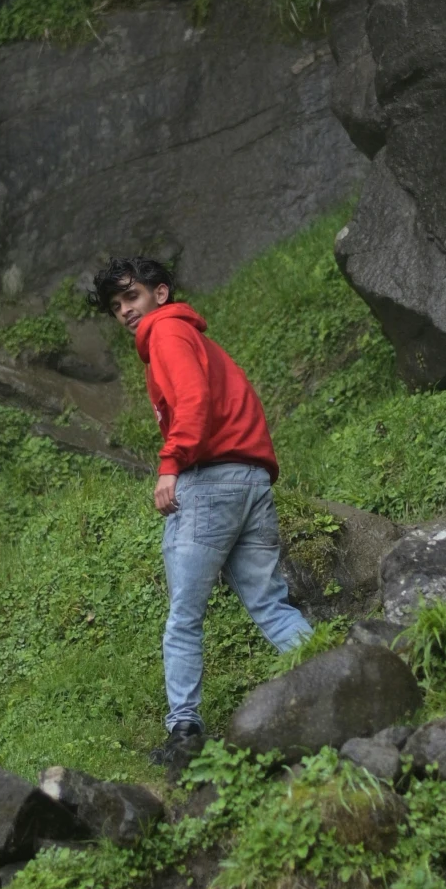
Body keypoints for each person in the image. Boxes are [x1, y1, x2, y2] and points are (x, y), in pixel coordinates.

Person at [93, 255, 313, 774]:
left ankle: (184, 730)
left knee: (184, 619)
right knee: (270, 604)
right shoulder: (194, 337)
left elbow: (194, 401)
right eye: (116, 304)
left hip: (211, 481)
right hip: (251, 479)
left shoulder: (166, 334)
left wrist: (170, 465)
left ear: (160, 294)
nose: (125, 310)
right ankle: (337, 677)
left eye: (133, 297)